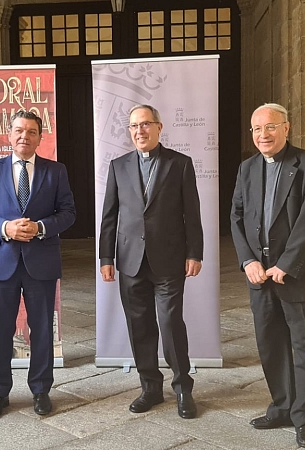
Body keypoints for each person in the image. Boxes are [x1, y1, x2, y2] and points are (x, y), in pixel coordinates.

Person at [230, 103, 305, 449]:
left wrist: (285, 264)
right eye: (257, 129)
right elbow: (237, 217)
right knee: (271, 345)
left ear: (286, 129)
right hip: (260, 276)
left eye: (270, 127)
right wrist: (248, 261)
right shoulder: (246, 168)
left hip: (300, 274)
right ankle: (282, 407)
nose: (263, 135)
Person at [99, 104, 203, 419]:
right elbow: (109, 216)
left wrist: (194, 252)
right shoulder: (118, 166)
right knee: (139, 327)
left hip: (170, 260)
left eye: (145, 124)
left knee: (171, 324)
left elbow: (192, 213)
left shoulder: (180, 164)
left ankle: (183, 388)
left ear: (159, 127)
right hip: (130, 261)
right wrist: (106, 257)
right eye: (133, 126)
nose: (139, 131)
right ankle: (150, 388)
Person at [0, 110, 75, 419]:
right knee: (0, 330)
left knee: (41, 329)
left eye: (31, 131)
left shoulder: (56, 171)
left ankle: (41, 390)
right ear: (9, 133)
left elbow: (68, 212)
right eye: (18, 130)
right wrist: (6, 228)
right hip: (2, 262)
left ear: (41, 137)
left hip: (40, 262)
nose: (24, 136)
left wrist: (40, 227)